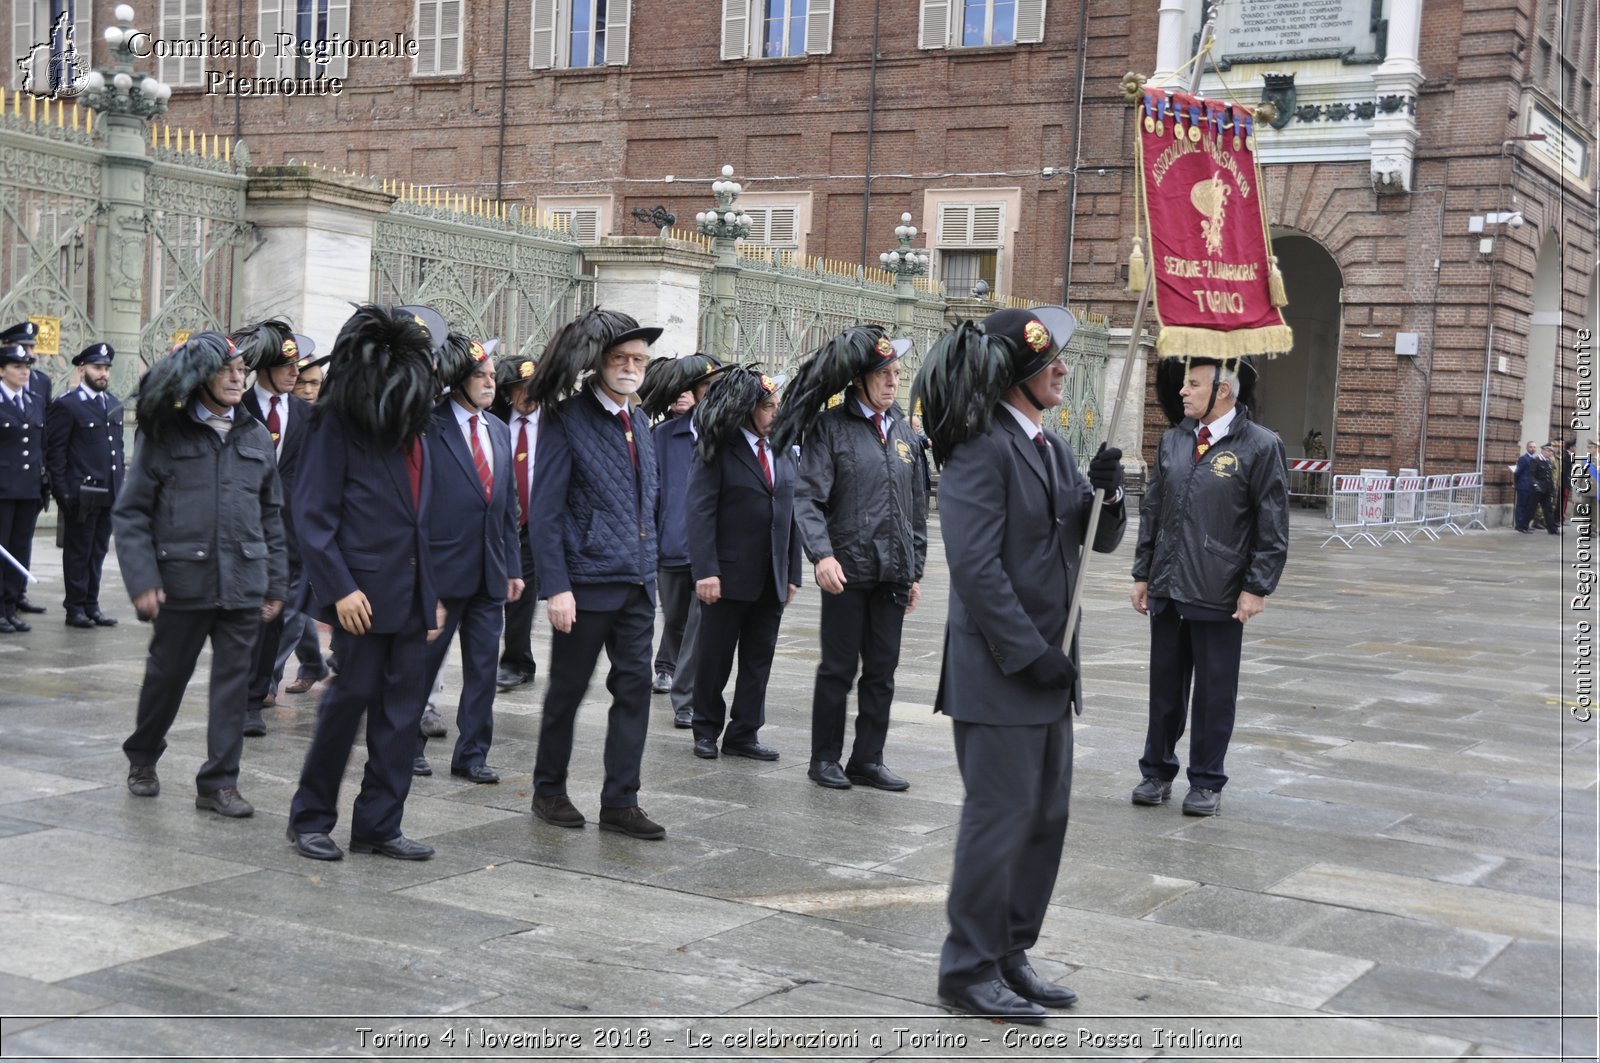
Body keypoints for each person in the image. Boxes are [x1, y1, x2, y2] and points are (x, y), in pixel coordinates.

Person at [915, 306, 1125, 1023]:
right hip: (1003, 671)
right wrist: (1029, 652)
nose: (1062, 369)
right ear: (1016, 377)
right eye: (1048, 364)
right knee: (999, 817)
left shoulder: (1048, 445)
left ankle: (1009, 950)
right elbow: (974, 568)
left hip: (1049, 669)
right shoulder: (981, 448)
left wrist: (1112, 491)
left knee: (1045, 816)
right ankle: (967, 968)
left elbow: (1092, 536)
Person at [286, 304, 444, 862]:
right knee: (345, 708)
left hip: (410, 598)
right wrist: (340, 588)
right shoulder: (337, 427)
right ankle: (310, 818)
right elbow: (313, 516)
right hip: (360, 598)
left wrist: (433, 597)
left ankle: (380, 824)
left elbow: (419, 522)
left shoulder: (415, 435)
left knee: (402, 718)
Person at [113, 332, 289, 818]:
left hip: (242, 585)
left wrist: (276, 583)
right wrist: (143, 580)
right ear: (200, 378)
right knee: (166, 679)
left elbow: (272, 515)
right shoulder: (165, 433)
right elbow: (130, 513)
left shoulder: (255, 435)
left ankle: (218, 784)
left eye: (241, 371)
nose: (237, 379)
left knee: (234, 687)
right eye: (225, 370)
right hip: (181, 585)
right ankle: (143, 756)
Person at [525, 307, 668, 840]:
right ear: (601, 364)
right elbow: (546, 511)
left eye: (639, 360)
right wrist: (556, 586)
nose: (632, 367)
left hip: (636, 582)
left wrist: (650, 565)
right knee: (567, 690)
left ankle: (621, 801)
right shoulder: (567, 419)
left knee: (633, 691)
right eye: (622, 358)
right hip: (585, 584)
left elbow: (649, 502)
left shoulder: (641, 421)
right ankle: (549, 790)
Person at [1130, 356, 1289, 817]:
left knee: (1214, 692)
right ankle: (1156, 772)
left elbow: (1272, 523)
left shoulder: (1259, 446)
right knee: (1164, 688)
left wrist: (1257, 586)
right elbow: (1154, 512)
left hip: (1220, 589)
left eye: (1193, 384)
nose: (1182, 392)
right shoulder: (1175, 439)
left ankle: (1206, 781)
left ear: (1223, 391)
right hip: (1168, 584)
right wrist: (1143, 573)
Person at [771, 326, 927, 792]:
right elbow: (808, 499)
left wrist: (914, 569)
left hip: (892, 573)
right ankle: (825, 759)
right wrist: (821, 555)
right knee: (838, 670)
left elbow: (915, 506)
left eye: (897, 373)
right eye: (883, 374)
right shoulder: (831, 428)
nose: (893, 381)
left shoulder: (903, 430)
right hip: (846, 569)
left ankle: (868, 759)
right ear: (858, 380)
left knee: (882, 671)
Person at [413, 334, 522, 782]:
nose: (489, 383)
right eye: (480, 375)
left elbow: (507, 505)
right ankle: (407, 747)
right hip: (440, 572)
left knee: (482, 670)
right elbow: (416, 506)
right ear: (457, 379)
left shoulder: (497, 428)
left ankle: (472, 754)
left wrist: (513, 566)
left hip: (489, 574)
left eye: (493, 376)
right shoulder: (429, 426)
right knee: (419, 669)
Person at [685, 367, 802, 761]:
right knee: (714, 658)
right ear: (749, 410)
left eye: (777, 405)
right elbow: (699, 513)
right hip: (727, 575)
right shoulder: (718, 448)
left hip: (771, 576)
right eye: (768, 406)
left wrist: (793, 573)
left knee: (758, 661)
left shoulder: (783, 450)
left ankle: (744, 733)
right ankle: (705, 730)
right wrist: (705, 570)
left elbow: (791, 514)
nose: (775, 413)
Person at [234, 321, 315, 733]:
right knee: (249, 616)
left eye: (296, 364)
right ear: (264, 366)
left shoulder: (306, 415)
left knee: (275, 618)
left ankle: (257, 693)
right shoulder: (238, 406)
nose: (294, 372)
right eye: (285, 364)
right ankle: (243, 696)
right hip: (245, 531)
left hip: (290, 536)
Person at [639, 354, 724, 718]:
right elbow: (650, 492)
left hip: (710, 551)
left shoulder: (726, 437)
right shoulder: (662, 436)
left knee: (699, 625)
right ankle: (672, 669)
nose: (711, 394)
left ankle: (685, 700)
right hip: (670, 546)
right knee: (674, 622)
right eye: (706, 387)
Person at [45, 342, 125, 628]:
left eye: (106, 368)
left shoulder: (113, 403)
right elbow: (55, 453)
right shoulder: (67, 405)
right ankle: (75, 607)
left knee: (98, 552)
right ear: (82, 370)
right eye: (97, 368)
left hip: (108, 493)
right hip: (81, 494)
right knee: (78, 552)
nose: (103, 373)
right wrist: (63, 492)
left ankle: (92, 605)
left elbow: (117, 448)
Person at [494, 353, 542, 693]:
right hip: (495, 520)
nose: (527, 396)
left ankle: (516, 661)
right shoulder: (493, 420)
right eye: (519, 389)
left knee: (521, 595)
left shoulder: (557, 422)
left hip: (535, 522)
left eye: (533, 388)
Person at [0, 343, 46, 633]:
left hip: (28, 490)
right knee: (2, 550)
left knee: (19, 550)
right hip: (2, 490)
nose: (24, 371)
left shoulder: (33, 402)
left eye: (27, 366)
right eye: (17, 366)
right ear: (2, 370)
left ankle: (10, 606)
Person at [1513, 441, 1540, 533]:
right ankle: (1519, 524)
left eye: (1534, 447)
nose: (1533, 449)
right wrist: (1517, 484)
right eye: (1531, 447)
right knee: (1522, 505)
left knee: (1529, 506)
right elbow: (1517, 472)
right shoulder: (1523, 459)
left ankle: (1525, 524)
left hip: (1531, 486)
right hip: (1523, 486)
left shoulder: (1535, 459)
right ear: (1527, 448)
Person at [1534, 445, 1558, 533]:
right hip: (1538, 489)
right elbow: (1532, 474)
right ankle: (1522, 525)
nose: (1549, 453)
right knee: (1531, 508)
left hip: (1546, 489)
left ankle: (1552, 529)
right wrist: (1535, 485)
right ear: (1543, 451)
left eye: (1550, 451)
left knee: (1548, 510)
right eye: (1548, 451)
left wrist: (1552, 486)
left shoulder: (1548, 461)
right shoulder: (1537, 460)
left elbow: (1550, 475)